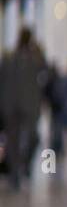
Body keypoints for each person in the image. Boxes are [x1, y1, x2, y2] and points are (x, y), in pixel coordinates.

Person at [0, 27, 49, 190]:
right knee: (12, 141)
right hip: (11, 106)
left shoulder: (35, 58)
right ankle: (15, 173)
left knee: (33, 138)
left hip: (30, 107)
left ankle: (24, 165)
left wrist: (38, 50)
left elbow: (45, 70)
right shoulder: (9, 58)